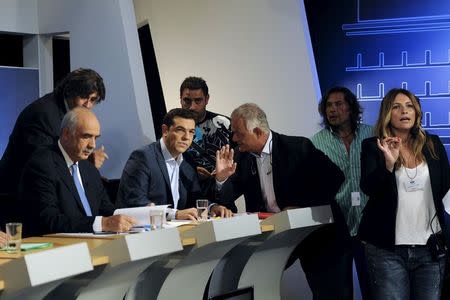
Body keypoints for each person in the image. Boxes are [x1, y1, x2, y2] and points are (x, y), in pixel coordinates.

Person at [218, 103, 349, 299]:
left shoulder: (297, 147)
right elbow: (228, 196)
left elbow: (334, 178)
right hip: (278, 238)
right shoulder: (241, 157)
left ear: (257, 132)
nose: (234, 139)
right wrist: (221, 179)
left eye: (238, 133)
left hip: (321, 237)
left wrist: (299, 207)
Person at [358, 88, 450, 300]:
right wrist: (388, 164)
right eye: (396, 107)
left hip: (430, 247)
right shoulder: (374, 146)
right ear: (387, 114)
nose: (404, 111)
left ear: (417, 112)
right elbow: (369, 189)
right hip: (386, 250)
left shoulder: (433, 144)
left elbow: (446, 188)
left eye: (409, 106)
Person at [18, 107, 136, 236]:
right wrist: (102, 224)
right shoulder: (42, 164)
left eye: (96, 138)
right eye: (86, 136)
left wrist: (140, 215)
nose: (92, 145)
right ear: (66, 134)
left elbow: (107, 209)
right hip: (57, 248)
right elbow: (48, 219)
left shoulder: (89, 169)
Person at [0, 68, 109, 198]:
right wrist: (87, 163)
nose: (88, 105)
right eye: (84, 97)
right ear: (69, 91)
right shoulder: (43, 114)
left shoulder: (68, 112)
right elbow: (45, 163)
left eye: (93, 99)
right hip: (16, 196)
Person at [117, 108, 235, 220]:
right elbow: (136, 203)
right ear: (165, 130)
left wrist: (212, 208)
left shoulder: (188, 160)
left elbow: (195, 198)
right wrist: (175, 214)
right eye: (180, 130)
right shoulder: (143, 157)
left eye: (191, 132)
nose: (186, 137)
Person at [311, 87, 373, 299]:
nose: (333, 110)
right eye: (328, 105)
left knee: (374, 287)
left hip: (370, 225)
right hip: (335, 227)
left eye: (339, 104)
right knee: (339, 291)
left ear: (351, 107)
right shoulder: (315, 143)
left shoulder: (372, 134)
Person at [180, 76, 232, 177]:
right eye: (187, 101)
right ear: (180, 99)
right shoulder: (171, 128)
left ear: (207, 99)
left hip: (223, 187)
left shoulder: (225, 124)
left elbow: (242, 157)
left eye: (198, 101)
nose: (192, 106)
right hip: (186, 188)